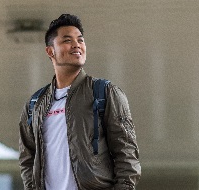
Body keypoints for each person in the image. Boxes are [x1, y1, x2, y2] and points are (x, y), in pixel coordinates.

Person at [18, 14, 141, 190]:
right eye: (67, 40)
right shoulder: (34, 104)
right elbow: (27, 158)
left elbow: (127, 155)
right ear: (50, 51)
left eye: (80, 40)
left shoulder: (105, 92)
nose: (77, 45)